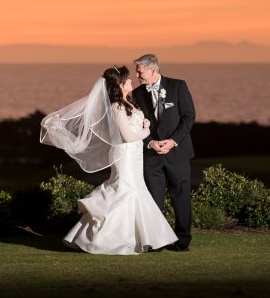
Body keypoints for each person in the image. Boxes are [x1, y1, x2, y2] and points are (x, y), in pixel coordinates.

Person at [40, 65, 178, 255]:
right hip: (125, 154)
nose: (131, 81)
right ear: (120, 84)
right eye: (128, 79)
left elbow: (131, 131)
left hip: (134, 154)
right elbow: (127, 136)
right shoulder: (117, 106)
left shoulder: (127, 102)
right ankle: (104, 239)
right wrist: (146, 130)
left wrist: (143, 124)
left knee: (135, 190)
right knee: (124, 190)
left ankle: (140, 238)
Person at [132, 54, 195, 252]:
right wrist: (150, 143)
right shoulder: (137, 94)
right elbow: (134, 125)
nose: (137, 74)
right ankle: (156, 241)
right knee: (153, 199)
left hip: (177, 153)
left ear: (152, 70)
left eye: (140, 71)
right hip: (152, 156)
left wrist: (173, 141)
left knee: (181, 197)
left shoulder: (178, 86)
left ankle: (182, 240)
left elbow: (189, 116)